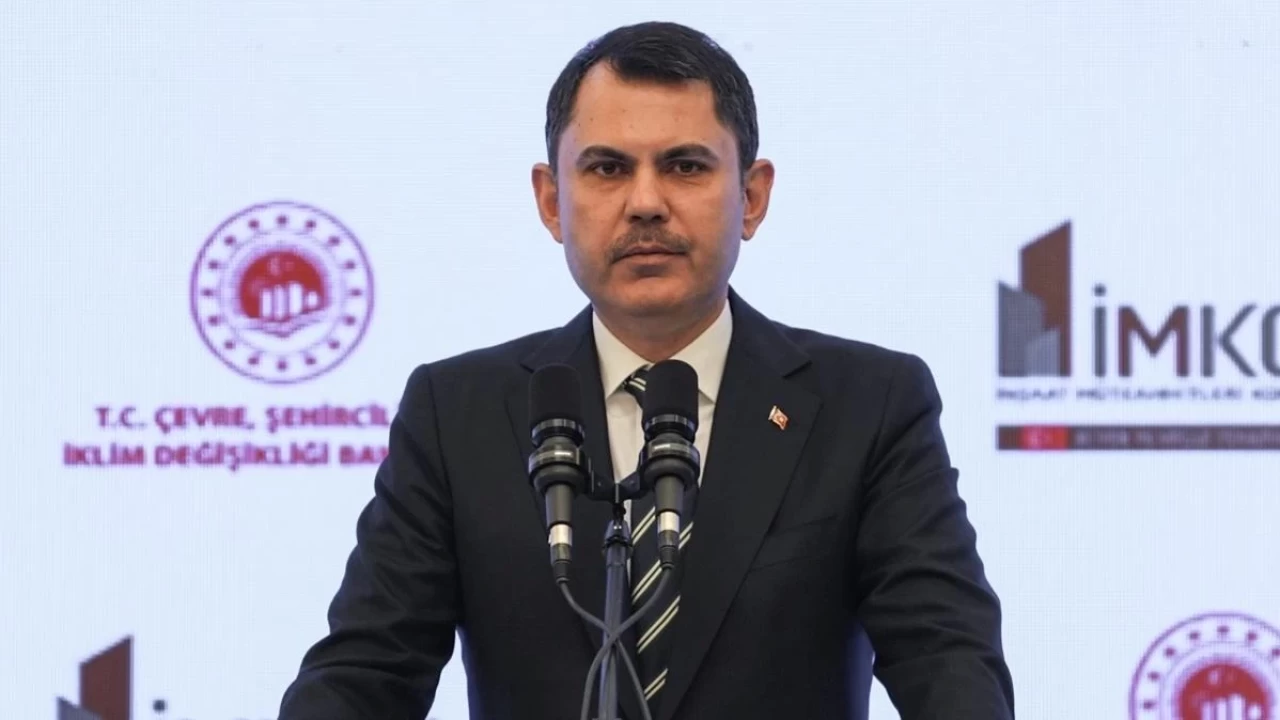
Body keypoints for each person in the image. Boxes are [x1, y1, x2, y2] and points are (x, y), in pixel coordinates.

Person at [278, 20, 1015, 720]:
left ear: (752, 196)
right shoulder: (458, 413)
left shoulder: (869, 405)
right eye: (607, 168)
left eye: (685, 166)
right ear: (551, 201)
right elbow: (366, 672)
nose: (645, 204)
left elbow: (946, 657)